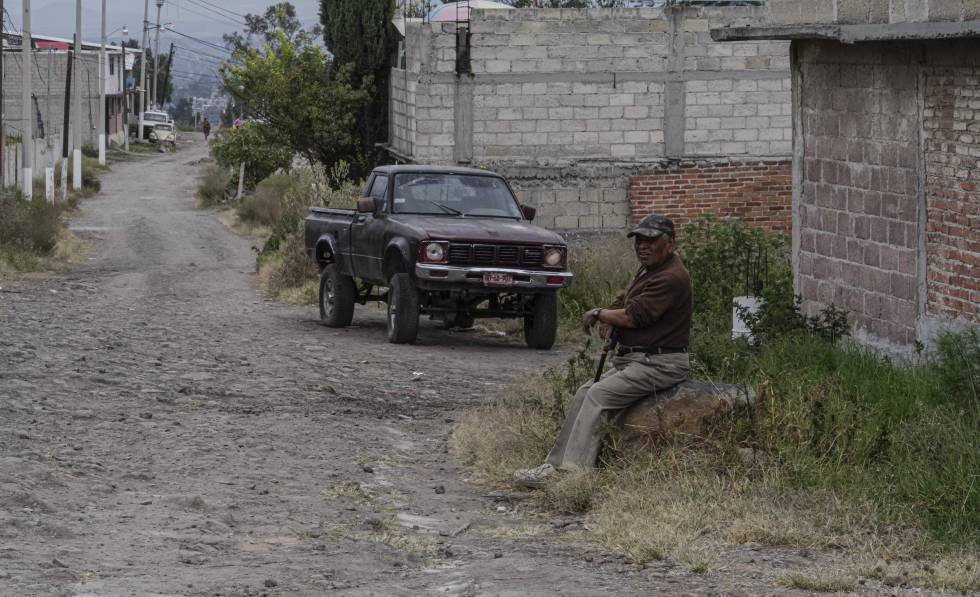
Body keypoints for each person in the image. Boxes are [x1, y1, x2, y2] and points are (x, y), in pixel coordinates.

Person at [513, 214, 693, 488]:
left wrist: (600, 314)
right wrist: (610, 316)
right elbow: (627, 298)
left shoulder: (671, 277)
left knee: (598, 394)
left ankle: (574, 476)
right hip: (639, 359)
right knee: (586, 391)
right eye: (639, 240)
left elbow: (635, 316)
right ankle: (554, 465)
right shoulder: (650, 269)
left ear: (670, 244)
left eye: (651, 241)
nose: (643, 246)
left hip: (660, 363)